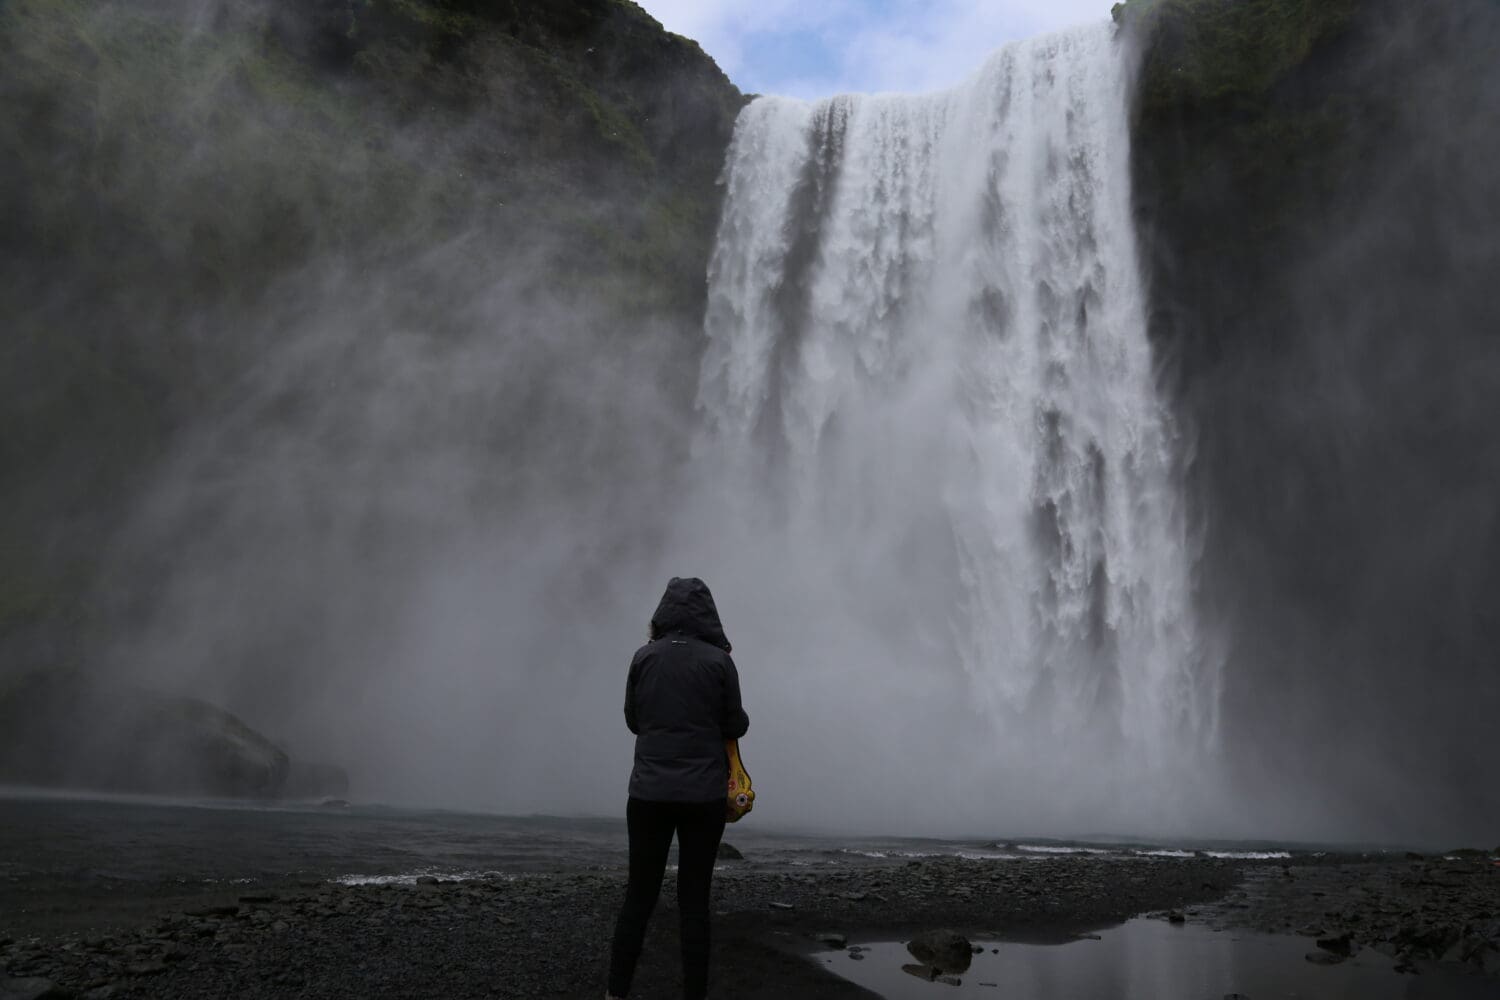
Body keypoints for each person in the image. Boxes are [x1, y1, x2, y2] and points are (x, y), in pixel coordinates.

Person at [606, 577, 750, 1000]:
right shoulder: (719, 663)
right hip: (703, 797)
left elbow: (633, 720)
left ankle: (616, 993)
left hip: (648, 794)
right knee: (693, 902)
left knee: (639, 896)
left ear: (663, 615)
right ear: (709, 616)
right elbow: (735, 724)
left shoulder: (642, 658)